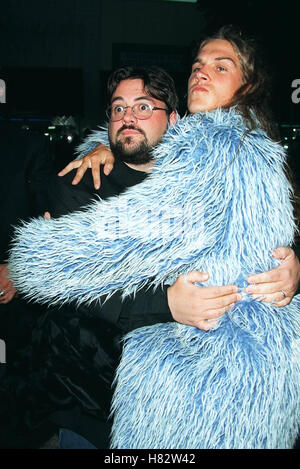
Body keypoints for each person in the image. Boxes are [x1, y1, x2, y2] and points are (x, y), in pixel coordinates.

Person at [7, 26, 300, 448]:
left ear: (174, 121)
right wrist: (165, 303)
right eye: (118, 108)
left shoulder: (205, 164)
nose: (128, 117)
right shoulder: (78, 181)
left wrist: (293, 268)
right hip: (85, 395)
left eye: (144, 107)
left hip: (192, 394)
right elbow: (71, 290)